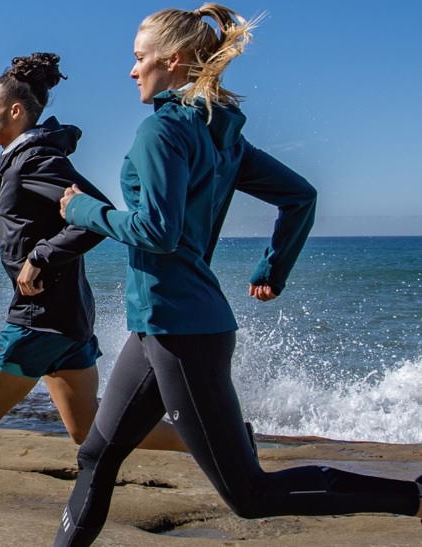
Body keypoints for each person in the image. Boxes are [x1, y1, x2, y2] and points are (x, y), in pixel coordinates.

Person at [53, 5, 422, 545]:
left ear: (173, 60)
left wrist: (81, 210)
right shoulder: (220, 135)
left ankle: (413, 497)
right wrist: (272, 267)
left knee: (248, 495)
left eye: (139, 58)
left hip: (183, 333)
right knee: (96, 455)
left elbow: (158, 232)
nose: (132, 71)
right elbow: (301, 197)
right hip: (157, 326)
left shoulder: (163, 132)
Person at [0, 53, 187, 547]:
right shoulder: (24, 160)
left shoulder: (35, 158)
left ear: (15, 112)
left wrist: (43, 256)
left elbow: (95, 215)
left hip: (38, 319)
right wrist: (3, 225)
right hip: (68, 318)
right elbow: (44, 219)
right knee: (87, 426)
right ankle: (218, 441)